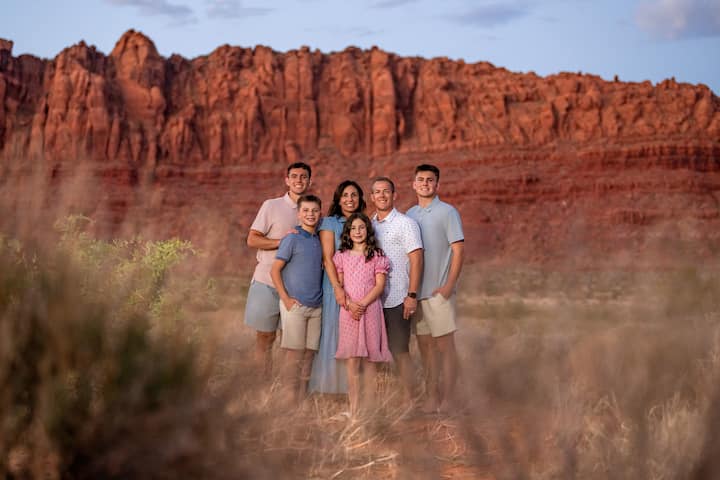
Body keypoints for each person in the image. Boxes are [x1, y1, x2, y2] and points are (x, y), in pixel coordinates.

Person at [245, 162, 312, 378]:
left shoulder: (312, 210)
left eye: (303, 176)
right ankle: (261, 386)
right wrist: (282, 242)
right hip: (267, 282)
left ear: (310, 181)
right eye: (294, 176)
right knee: (265, 337)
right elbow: (252, 239)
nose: (299, 180)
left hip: (296, 287)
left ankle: (285, 389)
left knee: (291, 343)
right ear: (287, 180)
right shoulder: (271, 206)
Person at [407, 164, 465, 414]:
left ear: (437, 184)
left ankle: (450, 400)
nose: (425, 183)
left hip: (438, 293)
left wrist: (449, 285)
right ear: (414, 184)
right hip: (417, 294)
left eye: (430, 180)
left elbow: (458, 250)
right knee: (426, 348)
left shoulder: (448, 212)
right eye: (420, 179)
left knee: (445, 347)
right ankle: (432, 397)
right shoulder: (409, 215)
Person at [309, 180, 367, 394]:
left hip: (360, 287)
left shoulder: (364, 223)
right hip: (336, 286)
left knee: (355, 335)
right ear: (338, 199)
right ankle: (328, 387)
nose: (350, 199)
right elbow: (328, 258)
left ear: (360, 198)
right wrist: (337, 288)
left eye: (354, 195)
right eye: (345, 195)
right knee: (334, 331)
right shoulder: (329, 223)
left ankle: (352, 389)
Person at [370, 176, 423, 405]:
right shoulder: (368, 224)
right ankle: (380, 398)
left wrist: (411, 295)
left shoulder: (405, 223)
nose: (382, 195)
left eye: (386, 191)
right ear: (372, 197)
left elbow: (417, 259)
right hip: (373, 300)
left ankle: (410, 399)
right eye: (377, 192)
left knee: (400, 350)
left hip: (398, 298)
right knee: (375, 351)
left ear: (394, 195)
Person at [333, 213, 392, 414]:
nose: (357, 232)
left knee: (370, 361)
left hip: (371, 310)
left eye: (361, 227)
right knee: (352, 361)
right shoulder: (341, 256)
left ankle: (369, 408)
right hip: (349, 312)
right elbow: (340, 285)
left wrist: (363, 304)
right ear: (348, 232)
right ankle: (354, 407)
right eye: (353, 228)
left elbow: (379, 286)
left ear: (368, 230)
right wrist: (350, 305)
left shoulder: (377, 255)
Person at [270, 195, 324, 405]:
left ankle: (302, 398)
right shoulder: (292, 238)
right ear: (299, 214)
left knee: (309, 354)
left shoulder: (319, 240)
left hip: (316, 306)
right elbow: (275, 270)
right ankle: (287, 399)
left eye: (315, 210)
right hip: (295, 306)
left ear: (320, 213)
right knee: (293, 354)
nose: (310, 214)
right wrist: (285, 299)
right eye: (306, 210)